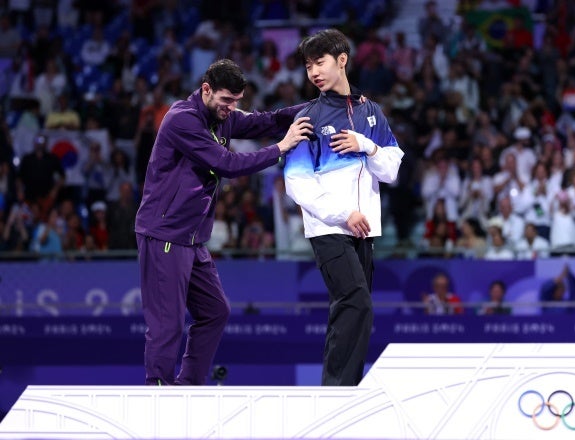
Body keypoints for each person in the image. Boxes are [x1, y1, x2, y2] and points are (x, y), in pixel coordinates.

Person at [134, 59, 313, 386]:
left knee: (216, 311)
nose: (232, 108)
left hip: (191, 238)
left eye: (236, 102)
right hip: (165, 234)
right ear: (206, 90)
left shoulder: (223, 117)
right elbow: (226, 163)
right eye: (226, 100)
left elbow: (267, 120)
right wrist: (282, 147)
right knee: (167, 322)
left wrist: (319, 104)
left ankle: (188, 385)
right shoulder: (181, 121)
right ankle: (157, 391)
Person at [283, 29, 404, 386]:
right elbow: (297, 184)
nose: (314, 72)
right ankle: (336, 393)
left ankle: (340, 390)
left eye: (319, 62)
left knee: (351, 311)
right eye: (308, 66)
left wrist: (365, 144)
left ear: (342, 60)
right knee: (357, 304)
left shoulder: (371, 111)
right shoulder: (308, 118)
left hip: (363, 229)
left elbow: (392, 169)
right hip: (330, 229)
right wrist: (343, 214)